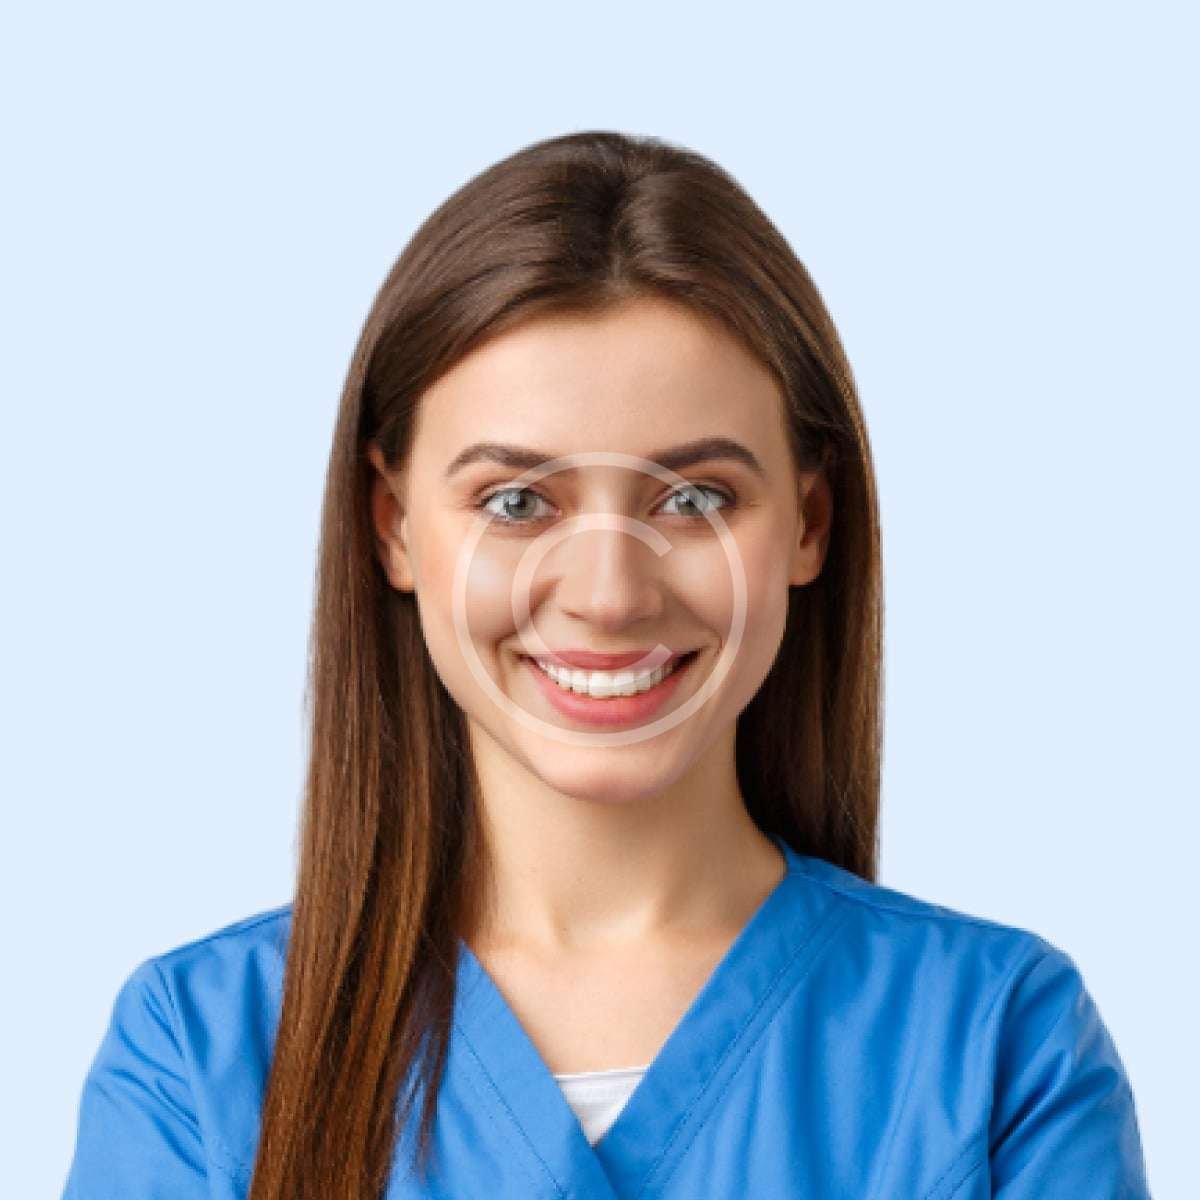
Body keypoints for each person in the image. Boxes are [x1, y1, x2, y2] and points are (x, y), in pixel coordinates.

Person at [60, 130, 1153, 1199]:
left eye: (694, 500)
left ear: (810, 524)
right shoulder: (200, 1060)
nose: (609, 593)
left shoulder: (998, 1047)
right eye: (517, 502)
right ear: (393, 528)